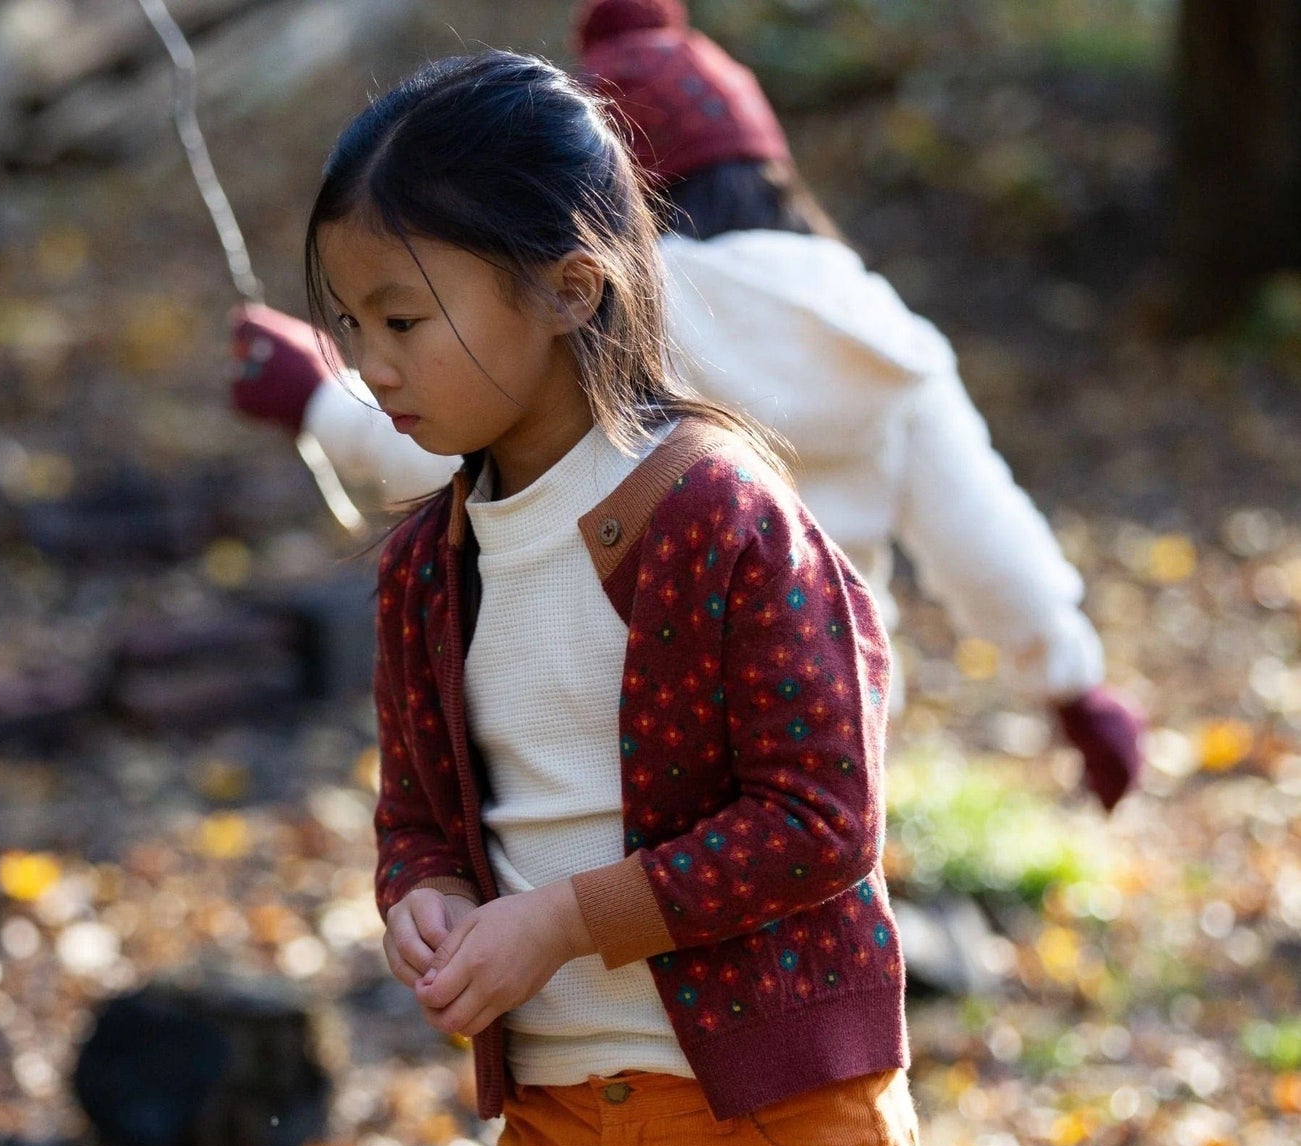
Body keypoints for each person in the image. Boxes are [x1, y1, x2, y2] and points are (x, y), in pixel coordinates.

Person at [308, 48, 921, 1146]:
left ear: (568, 287)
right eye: (350, 326)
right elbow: (417, 811)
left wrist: (566, 922)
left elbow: (823, 819)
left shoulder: (717, 517)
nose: (370, 366)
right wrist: (429, 898)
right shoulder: (426, 564)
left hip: (776, 1143)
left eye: (404, 317)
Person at [232, 0, 1143, 812]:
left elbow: (459, 438)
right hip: (827, 738)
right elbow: (981, 533)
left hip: (635, 742)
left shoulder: (623, 315)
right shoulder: (878, 328)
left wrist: (320, 399)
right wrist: (1071, 682)